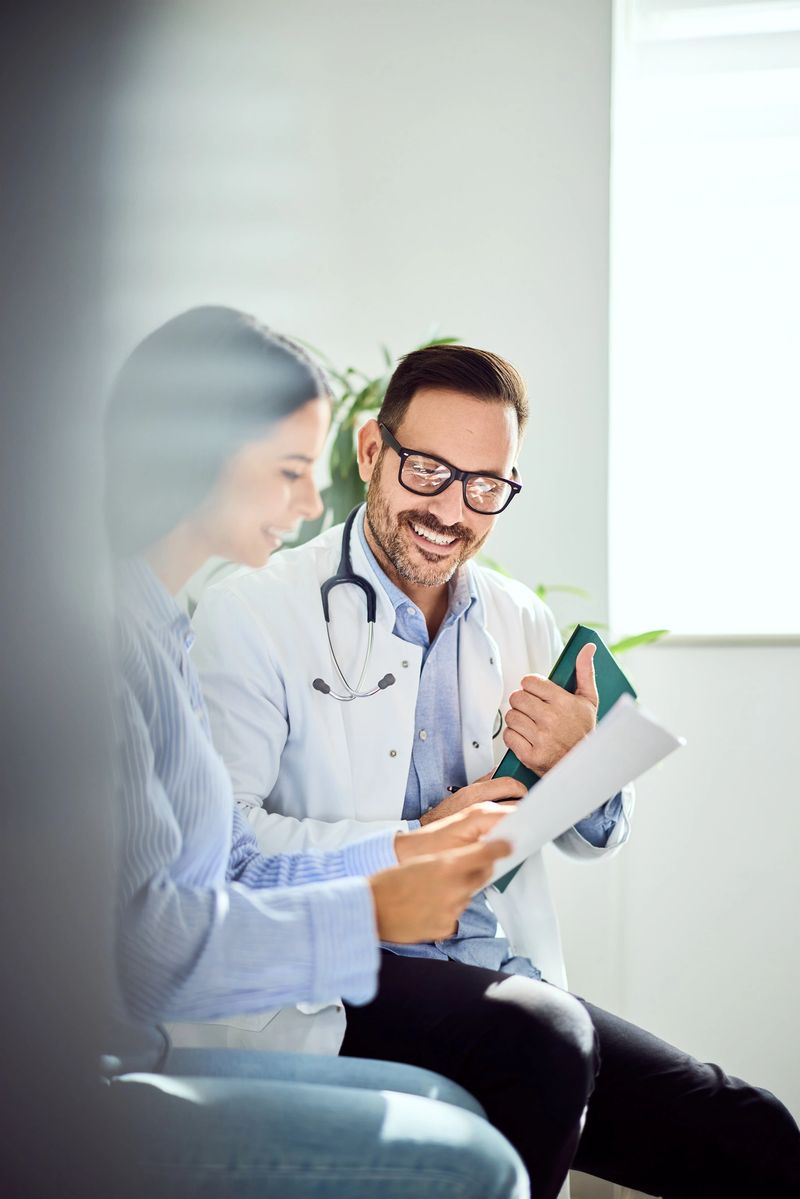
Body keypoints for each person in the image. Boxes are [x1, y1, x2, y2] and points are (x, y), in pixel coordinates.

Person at [190, 343, 800, 1198]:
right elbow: (222, 848)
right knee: (544, 1039)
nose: (452, 509)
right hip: (333, 975)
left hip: (487, 971)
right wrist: (411, 842)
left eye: (486, 485)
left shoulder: (518, 618)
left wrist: (583, 761)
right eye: (429, 470)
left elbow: (595, 836)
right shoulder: (252, 609)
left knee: (758, 1135)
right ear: (372, 451)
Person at [103, 308, 528, 1199]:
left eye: (484, 484)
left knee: (462, 1099)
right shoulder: (112, 640)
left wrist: (409, 851)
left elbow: (236, 858)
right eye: (292, 471)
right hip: (100, 1080)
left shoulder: (157, 627)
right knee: (484, 1145)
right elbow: (151, 949)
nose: (308, 503)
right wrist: (372, 909)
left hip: (164, 1038)